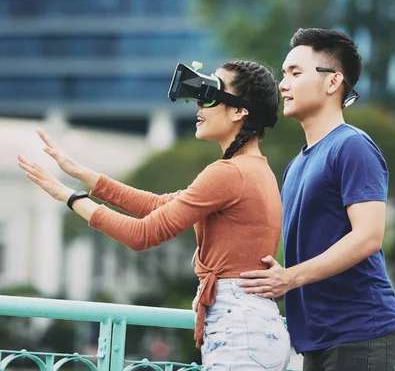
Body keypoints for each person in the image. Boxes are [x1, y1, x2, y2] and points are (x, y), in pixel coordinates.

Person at [18, 59, 291, 371]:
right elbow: (161, 205)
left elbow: (142, 234)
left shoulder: (228, 174)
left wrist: (67, 195)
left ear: (240, 111)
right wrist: (81, 173)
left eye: (210, 95)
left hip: (239, 330)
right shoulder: (255, 170)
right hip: (251, 327)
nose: (198, 105)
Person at [239, 28, 395, 371]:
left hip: (361, 335)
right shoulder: (296, 165)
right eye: (284, 74)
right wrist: (280, 279)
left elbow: (369, 236)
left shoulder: (352, 146)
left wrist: (292, 277)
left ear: (332, 82)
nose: (283, 85)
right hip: (314, 339)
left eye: (295, 73)